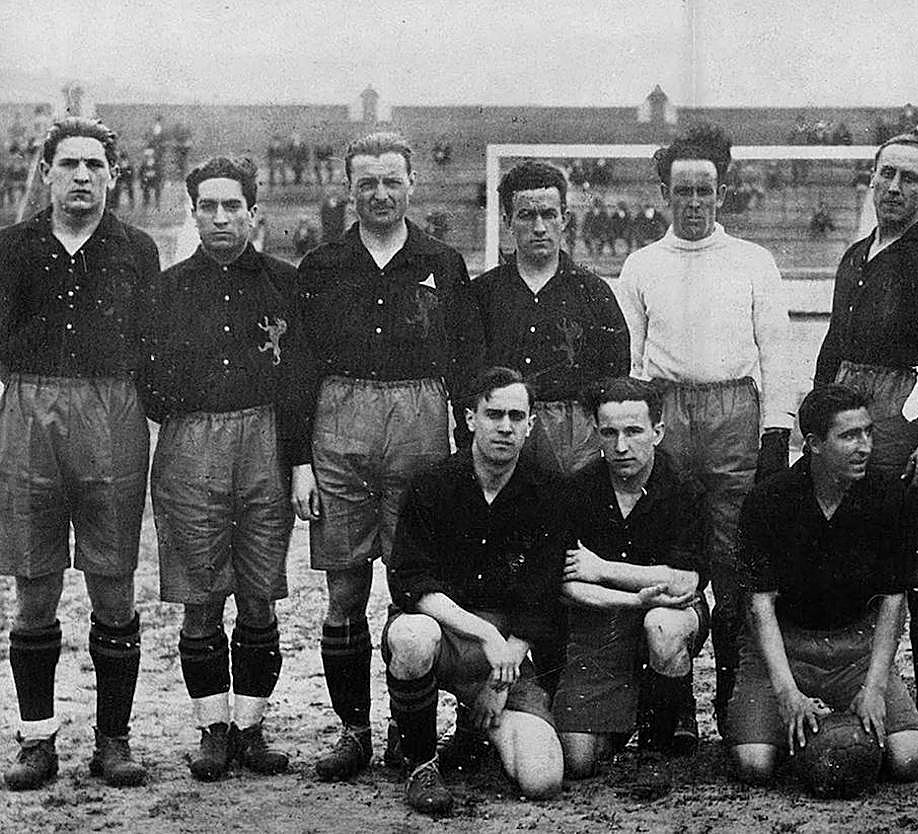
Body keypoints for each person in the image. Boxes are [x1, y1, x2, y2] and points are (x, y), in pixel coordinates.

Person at [294, 132, 485, 781]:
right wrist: (299, 461)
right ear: (349, 188)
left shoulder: (443, 260)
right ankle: (352, 731)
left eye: (391, 181)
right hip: (340, 420)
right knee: (345, 587)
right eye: (367, 182)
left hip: (420, 422)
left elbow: (465, 364)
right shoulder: (321, 265)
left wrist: (466, 458)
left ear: (412, 185)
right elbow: (298, 368)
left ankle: (411, 733)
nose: (380, 193)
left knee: (417, 588)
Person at [138, 156, 320, 781]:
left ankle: (251, 727)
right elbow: (146, 379)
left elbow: (300, 381)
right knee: (199, 597)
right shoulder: (165, 288)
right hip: (191, 445)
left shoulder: (284, 282)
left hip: (266, 440)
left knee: (260, 595)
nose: (220, 217)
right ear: (193, 213)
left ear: (253, 212)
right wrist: (194, 418)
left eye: (232, 206)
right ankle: (213, 729)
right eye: (208, 207)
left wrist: (297, 460)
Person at [616, 122, 797, 728]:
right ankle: (670, 703)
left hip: (732, 416)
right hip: (667, 414)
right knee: (667, 550)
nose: (693, 202)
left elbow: (776, 353)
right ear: (664, 193)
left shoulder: (752, 261)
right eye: (681, 191)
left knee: (733, 558)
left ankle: (732, 695)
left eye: (705, 190)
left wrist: (776, 432)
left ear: (723, 193)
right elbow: (631, 361)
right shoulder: (641, 265)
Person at [0, 117, 160, 790]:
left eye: (96, 164)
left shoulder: (138, 249)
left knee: (113, 587)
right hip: (29, 412)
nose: (82, 176)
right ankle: (36, 739)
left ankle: (113, 741)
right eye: (69, 164)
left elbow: (153, 344)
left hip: (111, 413)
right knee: (33, 587)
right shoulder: (9, 247)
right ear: (45, 171)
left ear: (115, 175)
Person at [813, 132, 918, 761]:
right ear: (871, 178)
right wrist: (817, 414)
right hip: (847, 409)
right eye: (887, 174)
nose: (895, 188)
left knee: (915, 563)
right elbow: (832, 344)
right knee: (844, 550)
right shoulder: (855, 255)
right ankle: (850, 684)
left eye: (910, 178)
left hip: (904, 418)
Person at [384, 367, 565, 816]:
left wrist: (500, 679)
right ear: (469, 419)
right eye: (493, 414)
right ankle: (421, 762)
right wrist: (483, 635)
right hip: (446, 630)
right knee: (410, 638)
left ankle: (473, 729)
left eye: (516, 417)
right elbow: (409, 581)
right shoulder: (433, 484)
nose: (505, 427)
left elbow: (542, 597)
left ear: (531, 424)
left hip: (508, 649)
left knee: (542, 779)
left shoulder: (547, 491)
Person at [725, 385, 918, 787]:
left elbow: (892, 601)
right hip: (786, 646)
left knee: (907, 760)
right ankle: (797, 733)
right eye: (849, 436)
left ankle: (840, 726)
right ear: (814, 444)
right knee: (754, 766)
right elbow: (759, 605)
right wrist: (787, 693)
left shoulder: (889, 498)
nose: (864, 446)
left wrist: (874, 687)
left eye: (868, 433)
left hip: (856, 649)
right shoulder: (769, 500)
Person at [554, 377, 707, 800]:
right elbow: (567, 585)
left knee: (663, 626)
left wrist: (602, 568)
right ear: (597, 434)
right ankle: (634, 710)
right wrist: (633, 594)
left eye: (634, 431)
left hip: (668, 614)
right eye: (609, 432)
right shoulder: (578, 489)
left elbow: (685, 581)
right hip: (601, 619)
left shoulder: (685, 488)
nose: (621, 446)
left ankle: (654, 751)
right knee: (578, 761)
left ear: (657, 432)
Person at [472, 160, 629, 475]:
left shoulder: (594, 292)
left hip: (575, 439)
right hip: (503, 429)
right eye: (527, 215)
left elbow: (615, 375)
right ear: (507, 220)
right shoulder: (482, 294)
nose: (540, 228)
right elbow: (465, 375)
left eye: (548, 214)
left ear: (565, 219)